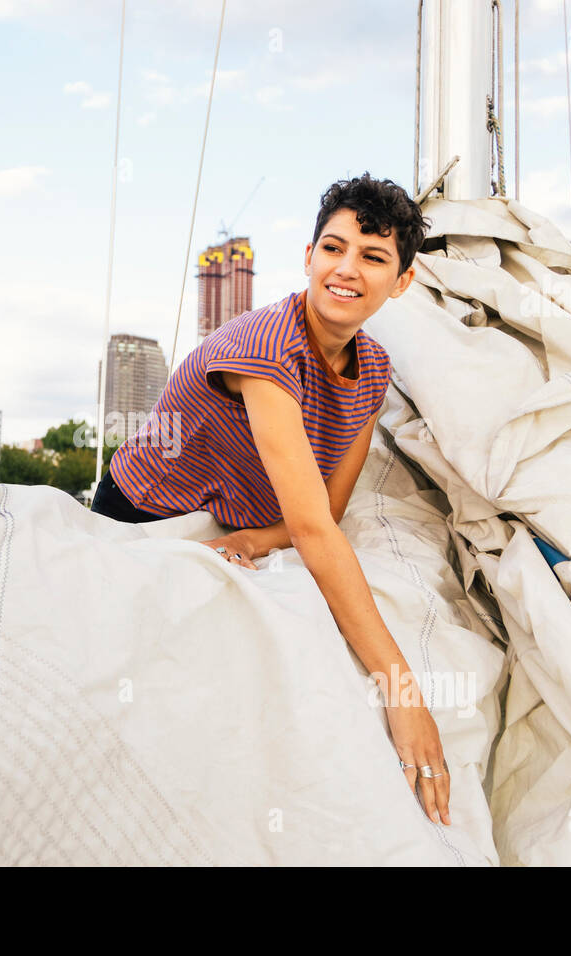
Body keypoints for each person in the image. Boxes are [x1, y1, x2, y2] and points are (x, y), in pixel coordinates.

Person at [90, 172, 452, 826]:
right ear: (308, 257)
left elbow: (326, 514)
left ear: (402, 281)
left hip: (237, 520)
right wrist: (403, 692)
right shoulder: (266, 348)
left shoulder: (372, 371)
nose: (347, 269)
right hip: (145, 509)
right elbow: (316, 532)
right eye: (334, 248)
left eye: (373, 257)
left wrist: (262, 538)